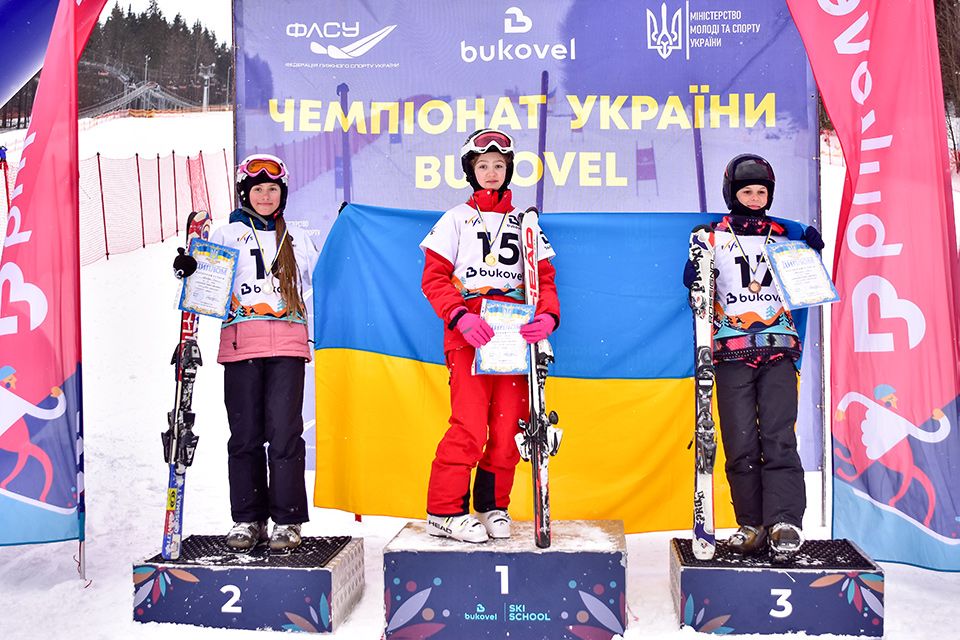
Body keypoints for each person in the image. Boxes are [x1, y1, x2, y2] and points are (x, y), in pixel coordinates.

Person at [419, 129, 560, 542]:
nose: (492, 172)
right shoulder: (455, 219)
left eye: (499, 165)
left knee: (508, 430)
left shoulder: (526, 223)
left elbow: (545, 279)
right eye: (483, 166)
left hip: (514, 337)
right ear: (471, 171)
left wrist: (548, 317)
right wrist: (459, 315)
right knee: (469, 424)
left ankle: (494, 505)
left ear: (508, 170)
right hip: (472, 336)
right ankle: (444, 511)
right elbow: (434, 279)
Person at [174, 153, 319, 551]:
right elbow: (202, 290)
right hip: (241, 347)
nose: (267, 196)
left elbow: (320, 282)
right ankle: (248, 518)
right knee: (245, 435)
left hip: (288, 347)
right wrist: (189, 267)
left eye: (273, 189)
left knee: (285, 433)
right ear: (245, 193)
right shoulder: (224, 235)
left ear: (282, 193)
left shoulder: (298, 238)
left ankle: (287, 521)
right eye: (259, 189)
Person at [683, 154, 824, 556]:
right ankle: (750, 522)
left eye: (762, 191)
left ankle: (784, 520)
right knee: (739, 439)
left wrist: (808, 244)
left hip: (777, 349)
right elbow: (695, 288)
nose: (755, 198)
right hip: (730, 353)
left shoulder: (784, 237)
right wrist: (693, 274)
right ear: (732, 193)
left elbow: (807, 276)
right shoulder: (710, 237)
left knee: (779, 436)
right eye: (747, 190)